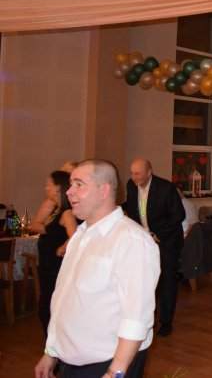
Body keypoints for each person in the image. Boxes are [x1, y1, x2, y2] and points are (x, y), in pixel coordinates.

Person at [34, 159, 160, 378]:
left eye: (79, 184)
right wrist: (51, 351)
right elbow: (64, 298)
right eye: (70, 184)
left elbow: (137, 316)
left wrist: (116, 372)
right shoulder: (80, 235)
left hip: (107, 364)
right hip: (72, 361)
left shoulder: (131, 240)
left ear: (104, 190)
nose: (69, 192)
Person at [123, 158, 185, 337]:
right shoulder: (131, 185)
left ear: (149, 172)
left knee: (167, 281)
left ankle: (166, 322)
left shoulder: (166, 188)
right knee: (146, 281)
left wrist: (159, 234)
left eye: (138, 173)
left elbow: (178, 215)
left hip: (166, 241)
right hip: (144, 241)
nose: (134, 177)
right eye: (132, 173)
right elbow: (133, 209)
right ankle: (149, 318)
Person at [29, 170, 78, 336]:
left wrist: (63, 247)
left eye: (49, 185)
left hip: (56, 268)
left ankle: (55, 344)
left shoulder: (66, 213)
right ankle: (51, 343)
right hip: (47, 266)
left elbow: (75, 236)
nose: (46, 188)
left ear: (58, 188)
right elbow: (35, 225)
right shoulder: (55, 210)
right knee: (45, 308)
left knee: (50, 309)